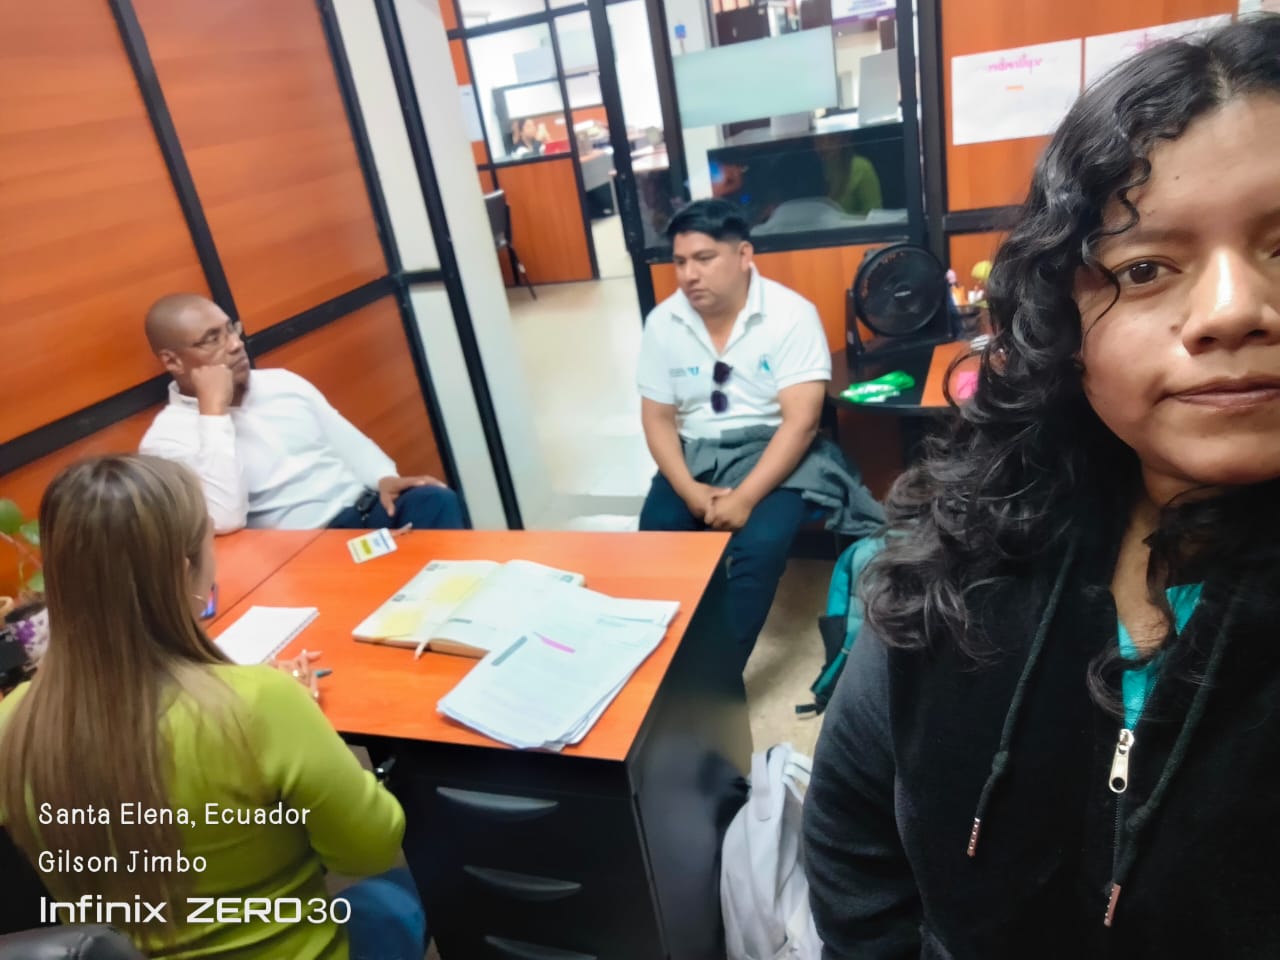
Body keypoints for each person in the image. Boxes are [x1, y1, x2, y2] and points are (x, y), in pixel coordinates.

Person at [804, 16, 1280, 957]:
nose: (1231, 312)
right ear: (1064, 323)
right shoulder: (973, 534)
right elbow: (853, 824)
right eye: (1145, 268)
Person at [0, 455, 425, 958]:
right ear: (185, 575)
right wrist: (302, 728)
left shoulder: (12, 724)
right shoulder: (262, 705)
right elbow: (368, 849)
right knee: (401, 894)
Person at [637, 199, 882, 667]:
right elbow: (657, 419)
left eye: (704, 258)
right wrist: (689, 489)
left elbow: (801, 422)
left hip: (774, 449)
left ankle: (718, 679)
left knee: (760, 545)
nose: (689, 275)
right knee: (657, 538)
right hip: (696, 452)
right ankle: (663, 663)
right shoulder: (663, 322)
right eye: (680, 262)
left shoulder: (791, 314)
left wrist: (745, 498)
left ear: (744, 255)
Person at [138, 293, 464, 534]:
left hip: (366, 513)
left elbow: (347, 442)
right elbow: (224, 518)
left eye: (231, 329)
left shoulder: (281, 382)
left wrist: (384, 478)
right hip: (306, 547)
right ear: (173, 361)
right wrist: (213, 413)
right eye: (212, 340)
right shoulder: (166, 441)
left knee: (435, 500)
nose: (235, 344)